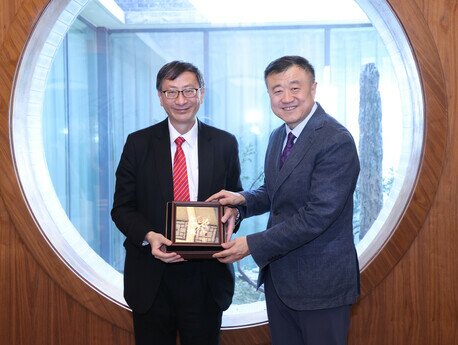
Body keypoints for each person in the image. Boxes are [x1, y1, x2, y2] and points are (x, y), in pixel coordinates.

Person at [207, 55, 360, 345]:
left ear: (313, 88)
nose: (286, 98)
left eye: (295, 88)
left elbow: (317, 215)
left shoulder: (335, 139)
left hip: (321, 286)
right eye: (277, 90)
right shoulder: (279, 136)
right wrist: (242, 199)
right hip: (281, 280)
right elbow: (275, 190)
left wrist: (251, 245)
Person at [111, 61, 242, 345]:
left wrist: (234, 212)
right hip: (151, 275)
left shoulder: (224, 144)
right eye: (171, 92)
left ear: (201, 93)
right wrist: (149, 236)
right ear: (160, 96)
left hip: (206, 277)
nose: (181, 100)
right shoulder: (138, 143)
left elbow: (236, 199)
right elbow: (121, 208)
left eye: (188, 91)